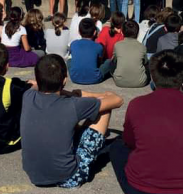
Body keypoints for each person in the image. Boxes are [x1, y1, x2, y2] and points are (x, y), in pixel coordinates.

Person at [109, 50, 183, 194]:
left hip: (141, 187)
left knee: (117, 147)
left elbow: (130, 142)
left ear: (153, 78)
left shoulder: (137, 104)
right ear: (182, 78)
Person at [20, 54, 123, 188]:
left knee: (66, 121)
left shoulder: (28, 96)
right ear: (64, 80)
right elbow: (117, 100)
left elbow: (32, 84)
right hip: (69, 177)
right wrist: (90, 95)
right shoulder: (73, 104)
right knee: (104, 109)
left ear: (38, 79)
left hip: (34, 176)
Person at [69, 18, 115, 84]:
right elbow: (100, 62)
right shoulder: (98, 46)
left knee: (69, 61)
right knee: (108, 62)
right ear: (94, 33)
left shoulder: (73, 44)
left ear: (79, 32)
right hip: (95, 78)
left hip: (75, 78)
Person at [112, 21, 149, 88]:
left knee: (110, 62)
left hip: (119, 82)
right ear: (138, 33)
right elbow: (145, 62)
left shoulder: (117, 45)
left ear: (122, 33)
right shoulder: (142, 47)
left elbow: (114, 61)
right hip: (140, 82)